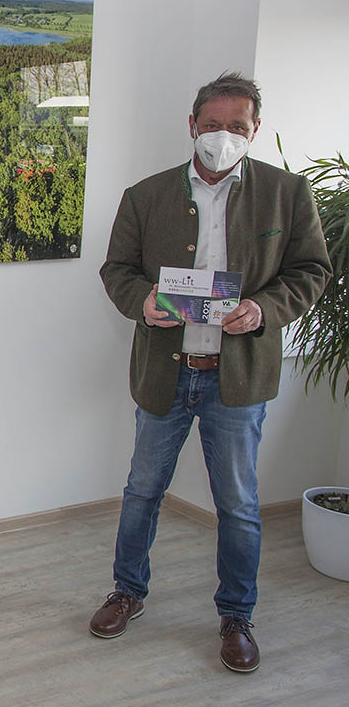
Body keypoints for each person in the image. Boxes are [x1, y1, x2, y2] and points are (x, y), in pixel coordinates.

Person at [92, 72, 330, 673]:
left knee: (239, 504)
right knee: (143, 490)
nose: (223, 136)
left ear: (254, 132)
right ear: (192, 125)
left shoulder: (287, 194)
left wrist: (264, 310)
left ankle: (236, 615)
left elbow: (310, 271)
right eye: (214, 124)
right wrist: (142, 300)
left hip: (238, 378)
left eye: (238, 127)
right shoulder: (145, 196)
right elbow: (117, 270)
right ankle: (127, 592)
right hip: (164, 373)